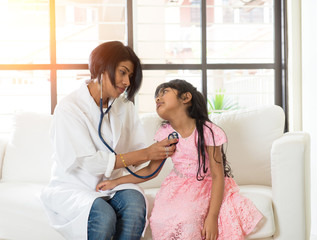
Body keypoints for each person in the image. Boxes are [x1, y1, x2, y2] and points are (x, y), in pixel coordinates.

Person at [40, 41, 177, 240]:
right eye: (122, 72)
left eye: (130, 75)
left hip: (113, 183)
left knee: (135, 204)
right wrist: (146, 153)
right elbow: (90, 163)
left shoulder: (124, 107)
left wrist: (159, 149)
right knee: (103, 215)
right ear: (102, 67)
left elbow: (136, 154)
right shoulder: (69, 108)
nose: (127, 82)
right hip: (75, 185)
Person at [97, 79, 263, 240]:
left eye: (164, 93)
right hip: (176, 187)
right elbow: (150, 170)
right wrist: (116, 182)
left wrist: (212, 217)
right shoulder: (165, 134)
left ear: (185, 98)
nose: (157, 98)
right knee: (158, 220)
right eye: (156, 96)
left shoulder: (208, 132)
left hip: (204, 185)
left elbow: (218, 175)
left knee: (187, 220)